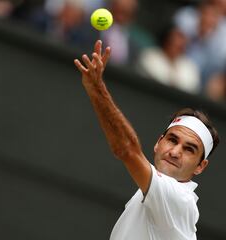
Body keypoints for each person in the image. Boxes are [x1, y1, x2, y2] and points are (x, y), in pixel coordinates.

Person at [74, 40, 219, 239]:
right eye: (172, 140)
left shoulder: (177, 198)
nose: (175, 152)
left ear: (200, 167)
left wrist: (96, 88)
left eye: (189, 149)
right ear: (158, 143)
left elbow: (126, 149)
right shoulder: (153, 192)